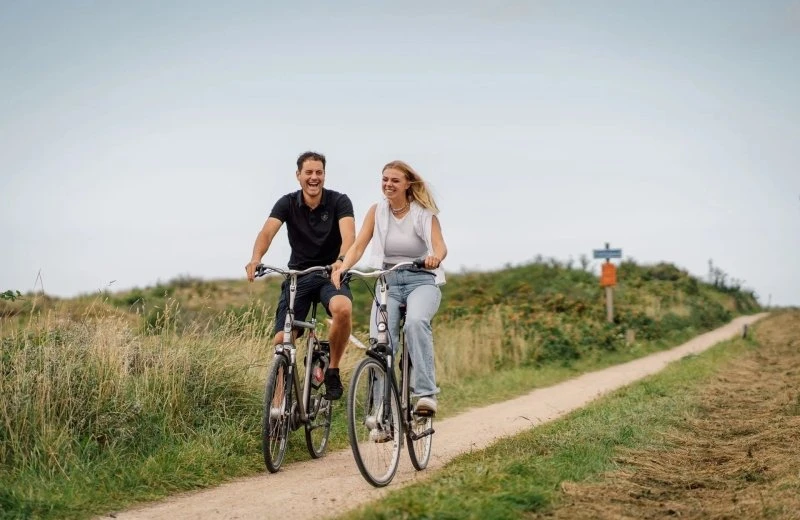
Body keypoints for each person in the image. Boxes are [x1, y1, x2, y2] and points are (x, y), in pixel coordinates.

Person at [332, 160, 447, 415]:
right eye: (385, 179)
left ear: (408, 184)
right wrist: (343, 266)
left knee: (416, 323)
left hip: (421, 280)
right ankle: (380, 413)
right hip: (388, 282)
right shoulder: (377, 211)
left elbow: (440, 246)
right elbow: (359, 245)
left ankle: (425, 395)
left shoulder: (423, 213)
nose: (388, 184)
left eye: (395, 180)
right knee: (380, 343)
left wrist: (434, 258)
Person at [246, 151, 355, 400]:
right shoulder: (287, 203)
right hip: (299, 276)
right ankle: (278, 409)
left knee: (343, 309)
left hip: (331, 273)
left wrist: (340, 261)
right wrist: (256, 258)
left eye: (319, 172)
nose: (314, 177)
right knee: (281, 340)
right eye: (309, 172)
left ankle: (333, 371)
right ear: (298, 176)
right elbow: (266, 232)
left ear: (324, 175)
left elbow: (349, 236)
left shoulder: (340, 201)